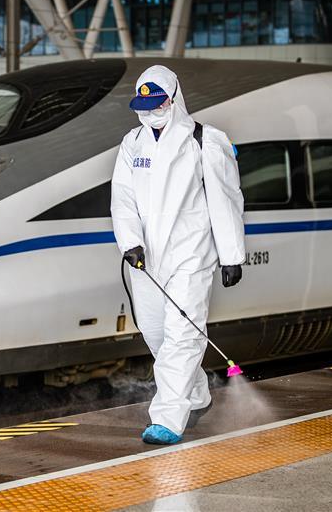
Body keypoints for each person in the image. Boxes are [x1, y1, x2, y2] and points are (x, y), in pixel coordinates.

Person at [110, 64, 245, 445]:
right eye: (144, 105)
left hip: (191, 255)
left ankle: (167, 418)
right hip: (146, 260)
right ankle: (196, 393)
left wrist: (232, 254)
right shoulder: (132, 144)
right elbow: (122, 199)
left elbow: (227, 200)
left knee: (183, 335)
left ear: (174, 99)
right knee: (156, 336)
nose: (151, 111)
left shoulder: (205, 140)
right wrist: (130, 242)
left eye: (158, 103)